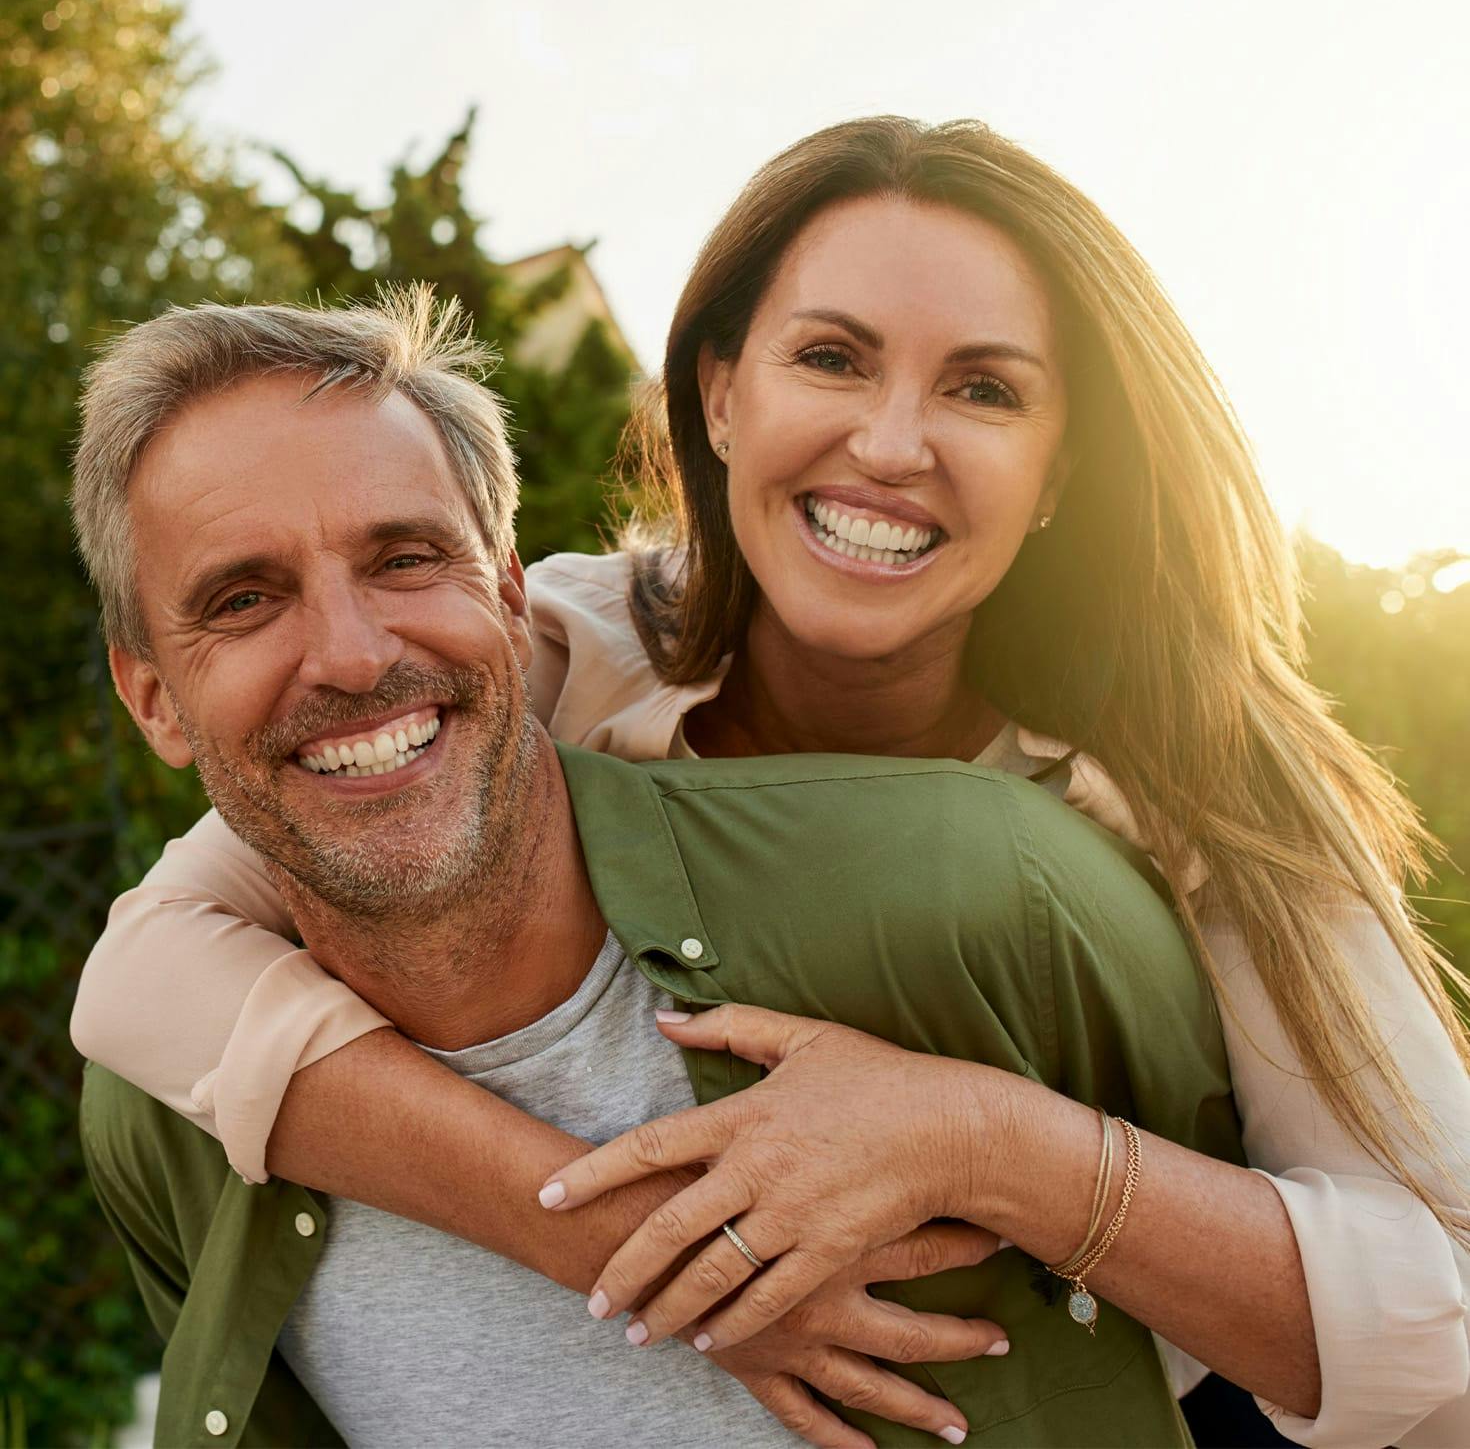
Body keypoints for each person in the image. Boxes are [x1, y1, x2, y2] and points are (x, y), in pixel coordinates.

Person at [72, 116, 1470, 1445]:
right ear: (721, 395)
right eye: (832, 358)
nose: (889, 442)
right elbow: (144, 977)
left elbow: (1443, 1309)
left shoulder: (1197, 785)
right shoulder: (561, 651)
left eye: (982, 387)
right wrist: (644, 1249)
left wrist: (977, 1136)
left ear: (1058, 469)